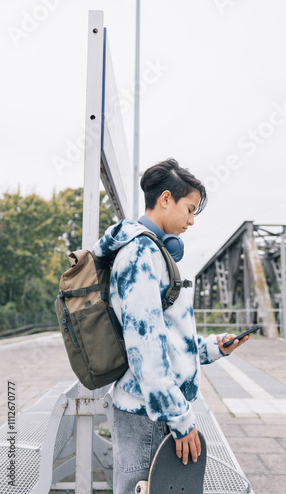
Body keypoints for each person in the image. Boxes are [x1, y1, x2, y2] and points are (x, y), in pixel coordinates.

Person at [93, 158, 249, 494]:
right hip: (149, 414)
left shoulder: (149, 252)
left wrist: (211, 348)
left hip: (150, 407)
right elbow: (145, 350)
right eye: (189, 209)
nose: (192, 221)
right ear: (165, 199)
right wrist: (180, 419)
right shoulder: (140, 255)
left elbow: (162, 335)